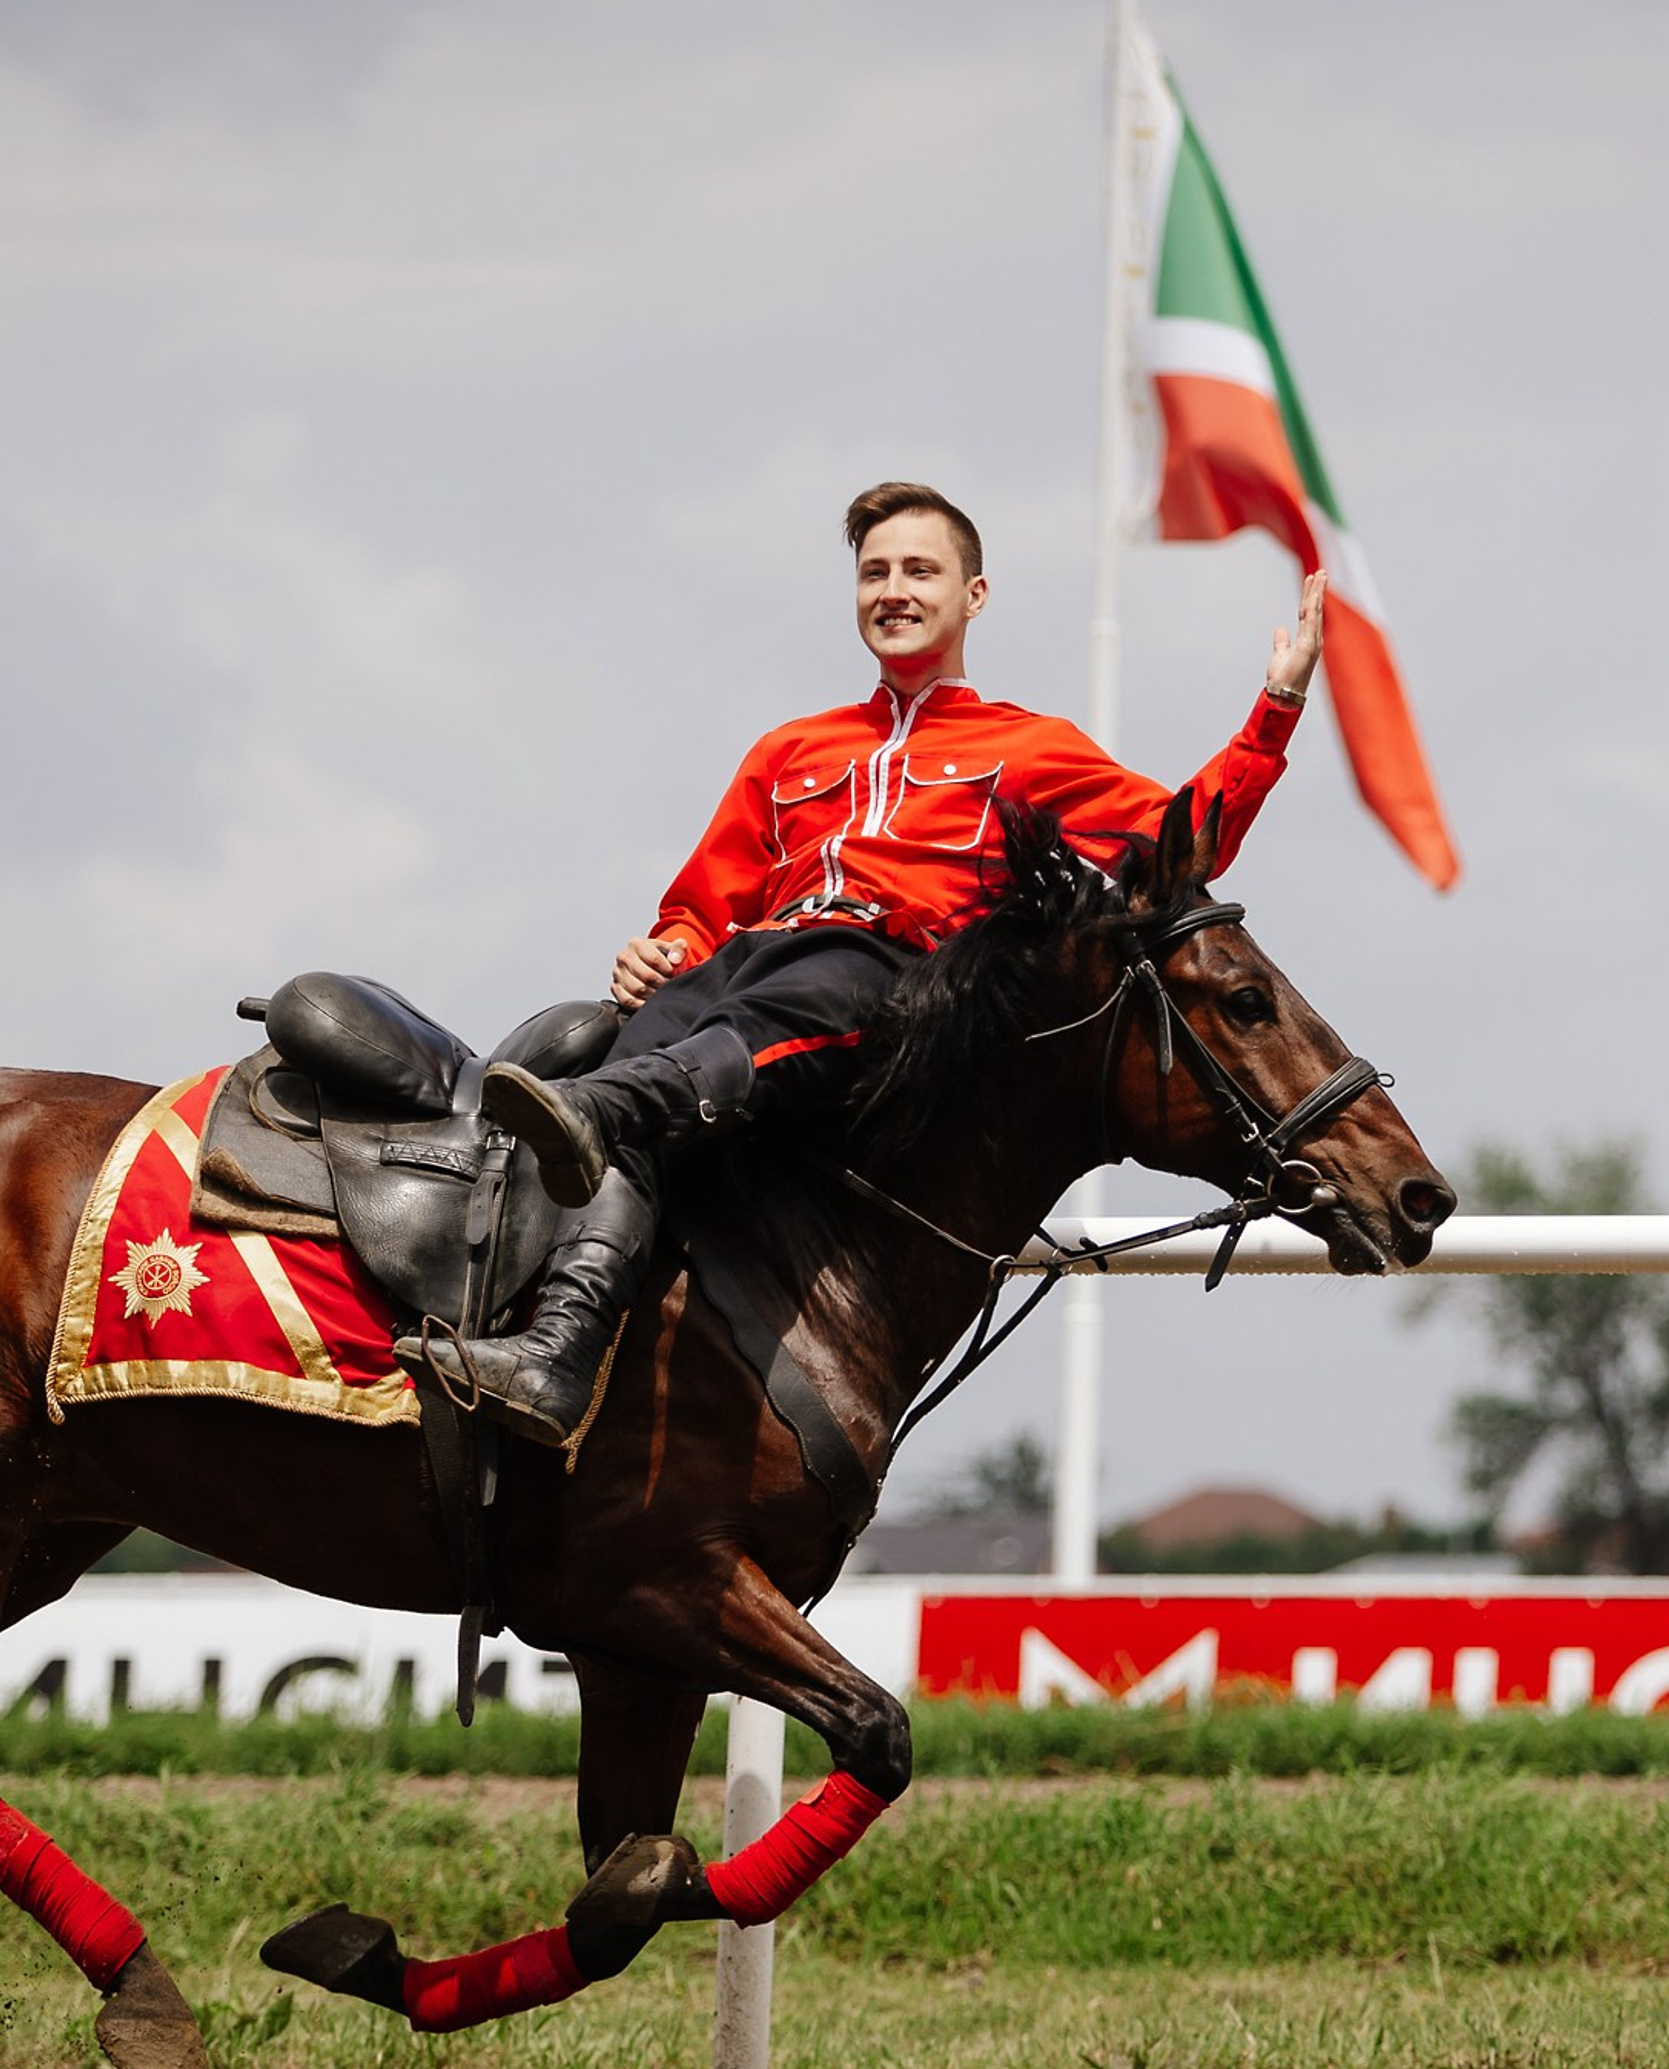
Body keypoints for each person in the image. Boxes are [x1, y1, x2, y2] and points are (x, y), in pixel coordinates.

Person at [414, 479, 1326, 1445]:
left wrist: (1275, 707)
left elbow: (1184, 849)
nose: (893, 589)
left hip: (895, 980)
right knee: (645, 1038)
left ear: (974, 596)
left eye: (920, 570)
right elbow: (703, 905)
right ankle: (558, 1352)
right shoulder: (790, 749)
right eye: (874, 572)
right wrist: (668, 952)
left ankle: (601, 1110)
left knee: (793, 995)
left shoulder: (1030, 746)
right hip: (750, 974)